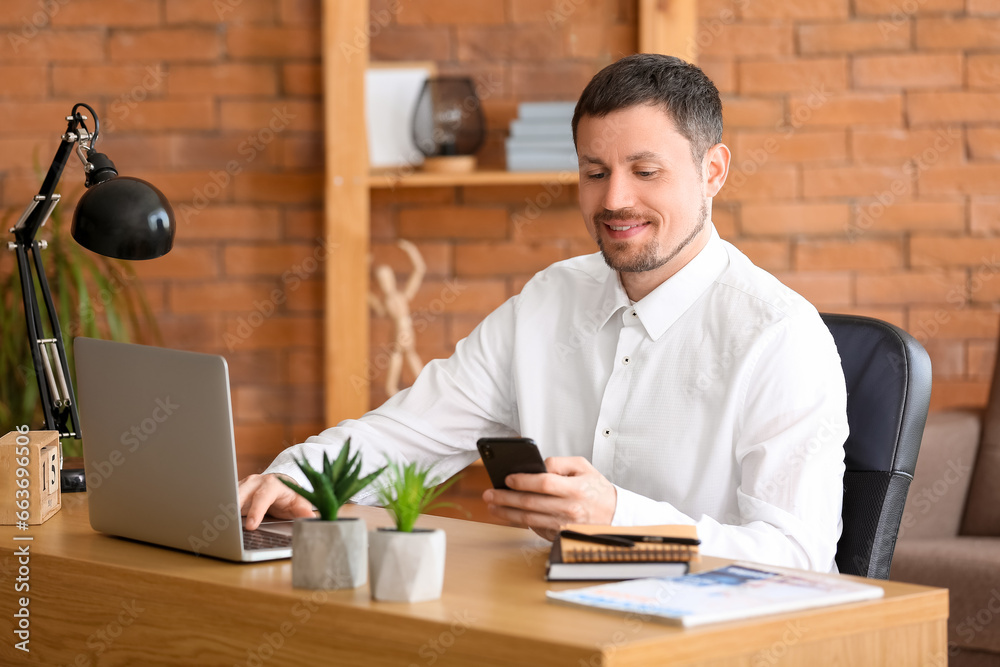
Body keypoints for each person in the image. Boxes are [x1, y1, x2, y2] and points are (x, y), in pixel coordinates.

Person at [239, 54, 848, 572]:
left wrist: (616, 520)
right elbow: (412, 431)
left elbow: (798, 556)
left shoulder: (780, 336)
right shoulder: (549, 299)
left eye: (645, 172)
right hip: (550, 621)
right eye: (594, 172)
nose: (614, 200)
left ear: (712, 172)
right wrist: (295, 480)